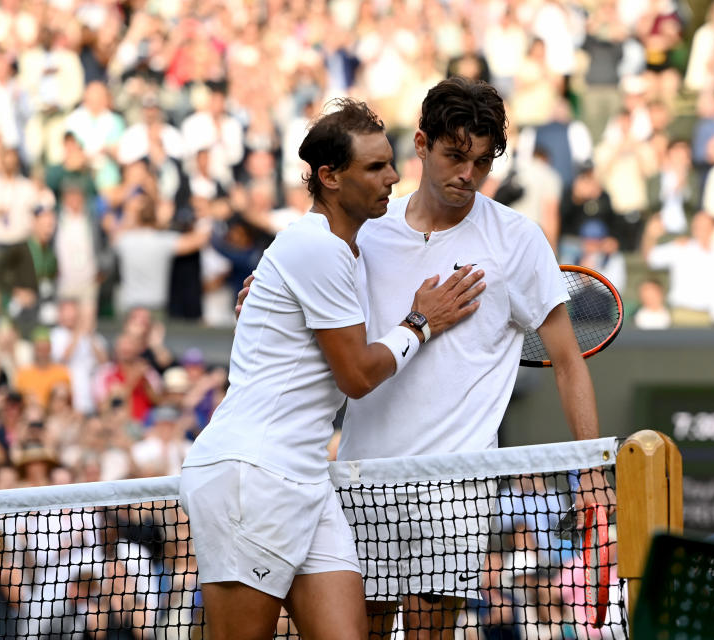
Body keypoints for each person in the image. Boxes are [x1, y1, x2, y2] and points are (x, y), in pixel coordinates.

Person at [239, 78, 611, 640]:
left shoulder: (519, 239)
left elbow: (568, 360)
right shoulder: (364, 234)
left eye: (482, 162)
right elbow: (326, 315)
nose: (468, 174)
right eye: (455, 156)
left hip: (457, 489)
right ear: (420, 143)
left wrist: (589, 469)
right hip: (362, 481)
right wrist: (268, 294)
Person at [180, 99, 484, 640]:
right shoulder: (316, 246)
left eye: (391, 162)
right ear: (330, 177)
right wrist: (421, 322)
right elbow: (358, 377)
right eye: (374, 167)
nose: (393, 176)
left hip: (306, 479)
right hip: (252, 474)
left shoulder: (342, 250)